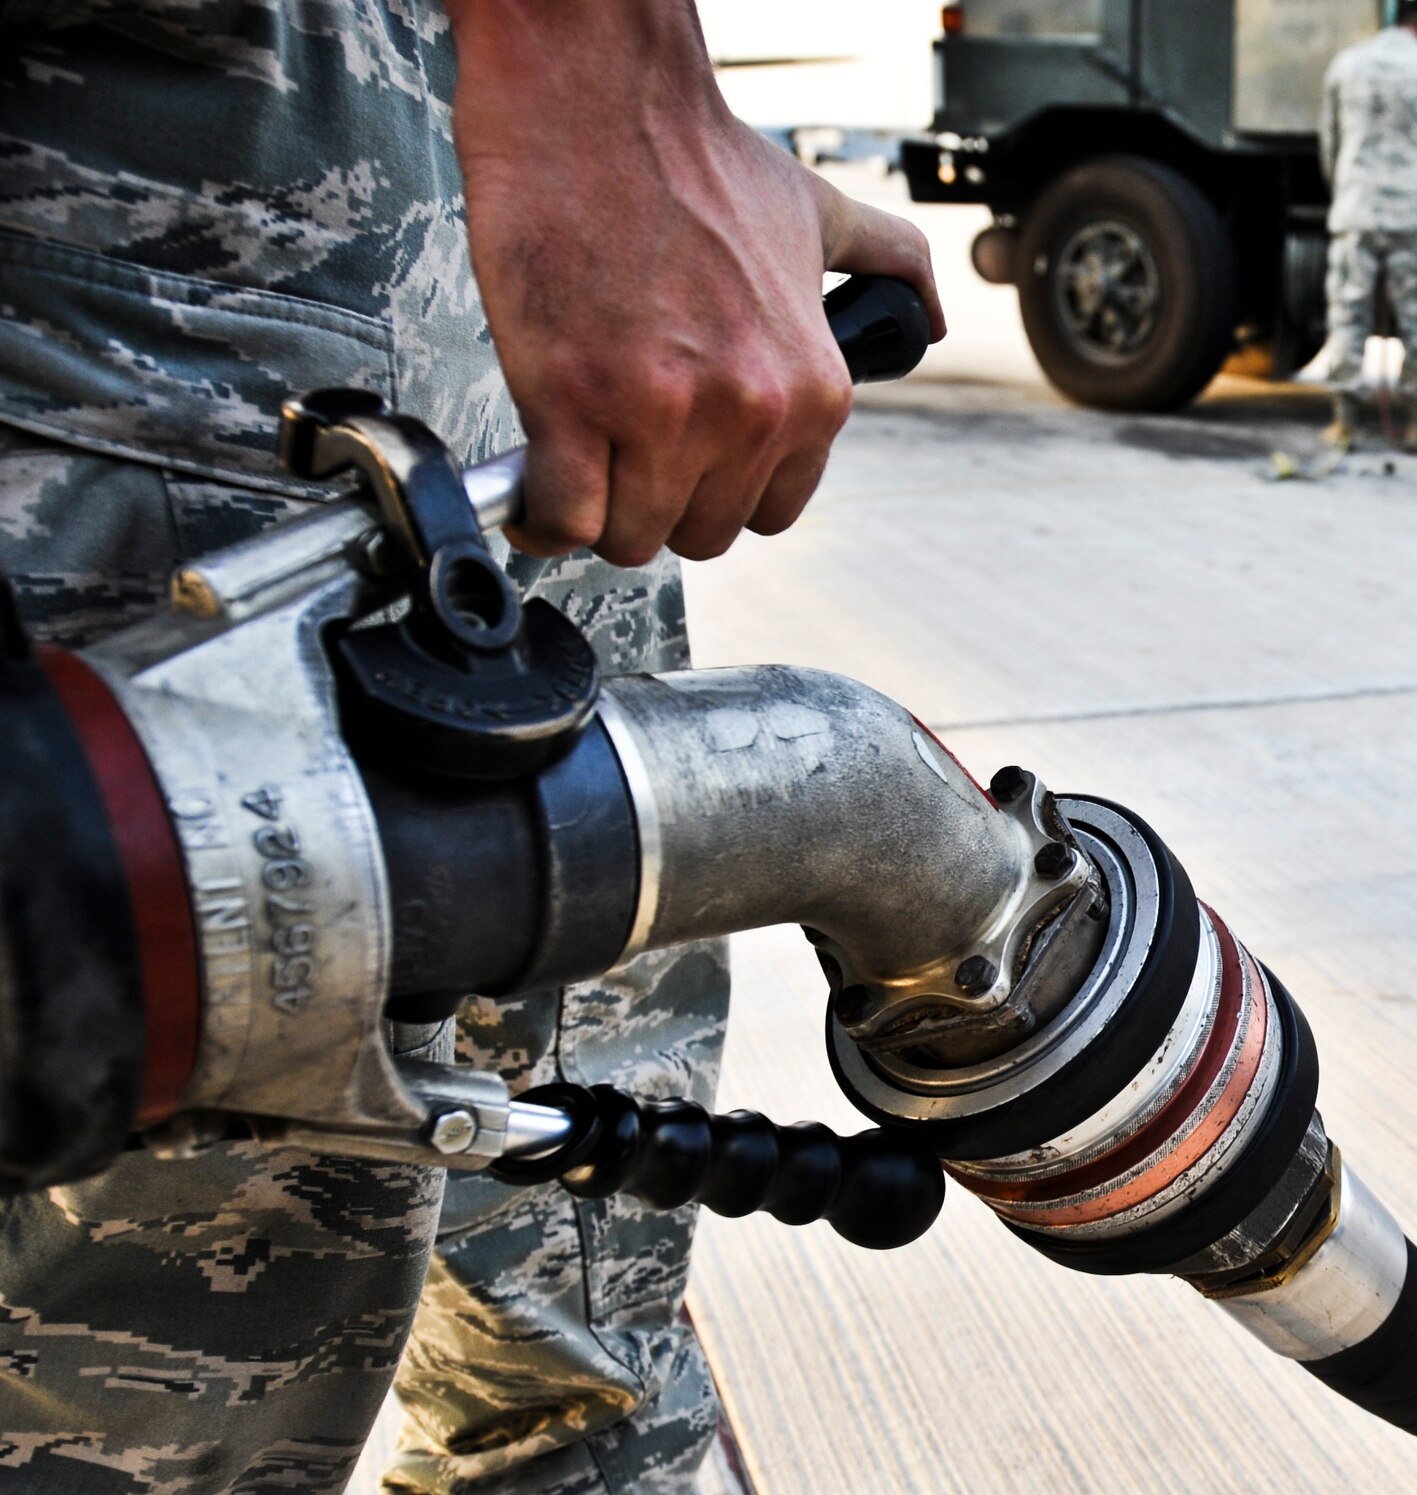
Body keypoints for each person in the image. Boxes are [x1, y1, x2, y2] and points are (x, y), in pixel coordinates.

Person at [0, 2, 940, 1491]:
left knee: (580, 1335)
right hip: (155, 224)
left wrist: (584, 125)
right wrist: (607, 85)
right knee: (138, 1412)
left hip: (432, 253)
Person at [1317, 6, 1417, 453]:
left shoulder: (1347, 63)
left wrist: (1346, 191)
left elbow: (1330, 142)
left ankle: (1344, 422)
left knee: (1348, 317)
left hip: (1356, 209)